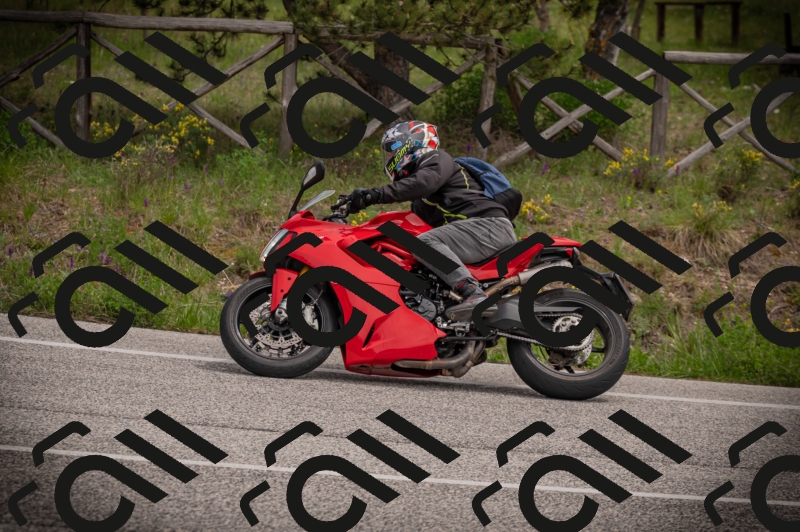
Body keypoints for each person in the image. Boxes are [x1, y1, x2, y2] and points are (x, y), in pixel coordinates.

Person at [343, 121, 518, 321]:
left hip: (489, 226)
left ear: (411, 143)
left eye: (393, 149)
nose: (390, 156)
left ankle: (473, 293)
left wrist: (374, 195)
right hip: (476, 232)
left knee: (424, 244)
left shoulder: (437, 159)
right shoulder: (422, 200)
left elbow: (423, 182)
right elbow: (417, 220)